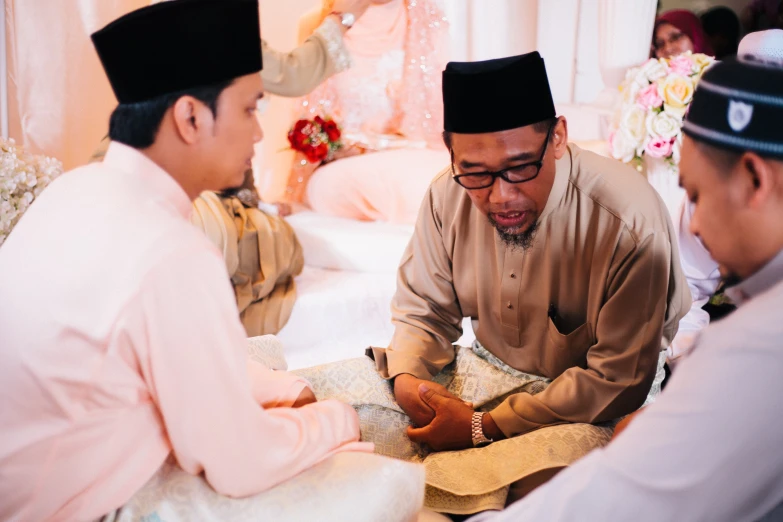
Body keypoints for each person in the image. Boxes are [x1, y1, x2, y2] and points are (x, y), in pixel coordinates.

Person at [0, 1, 376, 520]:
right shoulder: (172, 250)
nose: (260, 133)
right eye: (250, 109)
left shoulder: (72, 188)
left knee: (267, 365)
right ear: (190, 116)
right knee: (368, 474)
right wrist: (341, 421)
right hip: (62, 505)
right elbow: (241, 463)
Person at [295, 51, 691, 514]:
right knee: (314, 405)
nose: (501, 196)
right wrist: (410, 381)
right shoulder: (448, 194)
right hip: (480, 376)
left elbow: (618, 379)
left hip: (590, 407)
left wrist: (481, 427)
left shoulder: (627, 220)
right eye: (476, 173)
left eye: (521, 167)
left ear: (558, 137)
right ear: (451, 152)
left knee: (562, 476)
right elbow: (424, 310)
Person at [469, 56, 783, 522]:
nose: (693, 222)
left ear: (755, 180)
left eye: (697, 195)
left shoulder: (760, 343)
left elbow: (613, 504)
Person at [284, 0, 450, 225]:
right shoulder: (318, 22)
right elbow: (308, 118)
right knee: (328, 187)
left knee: (438, 180)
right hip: (345, 169)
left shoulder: (427, 18)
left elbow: (438, 119)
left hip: (412, 158)